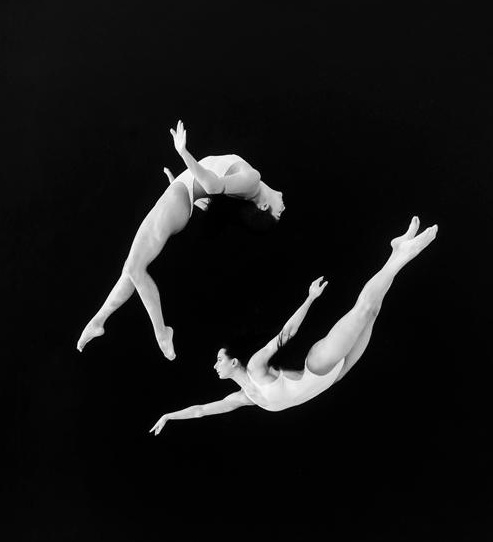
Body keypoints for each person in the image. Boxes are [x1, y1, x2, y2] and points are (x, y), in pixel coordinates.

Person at [149, 216, 437, 433]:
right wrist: (168, 416)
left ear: (235, 361)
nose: (215, 364)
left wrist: (309, 299)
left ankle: (399, 256)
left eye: (219, 359)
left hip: (318, 366)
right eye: (218, 360)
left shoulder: (255, 366)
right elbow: (200, 411)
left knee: (363, 311)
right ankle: (395, 252)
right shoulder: (245, 397)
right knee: (372, 313)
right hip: (333, 378)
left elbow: (287, 334)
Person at [77, 120, 285, 360]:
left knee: (135, 268)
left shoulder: (253, 180)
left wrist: (184, 153)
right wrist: (181, 182)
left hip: (179, 198)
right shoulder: (248, 188)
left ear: (265, 206)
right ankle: (99, 321)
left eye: (278, 213)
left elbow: (214, 185)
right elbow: (208, 191)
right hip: (180, 196)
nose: (283, 208)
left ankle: (161, 332)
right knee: (131, 269)